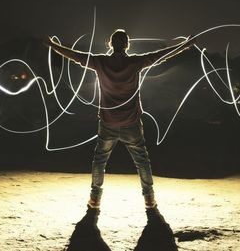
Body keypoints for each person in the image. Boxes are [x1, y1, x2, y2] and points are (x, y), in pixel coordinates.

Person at [43, 29, 194, 209]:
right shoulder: (134, 62)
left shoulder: (100, 62)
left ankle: (95, 200)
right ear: (127, 45)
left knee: (100, 160)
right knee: (142, 161)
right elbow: (160, 55)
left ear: (110, 44)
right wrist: (184, 45)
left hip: (108, 122)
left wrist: (53, 45)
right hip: (131, 122)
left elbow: (75, 56)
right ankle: (149, 200)